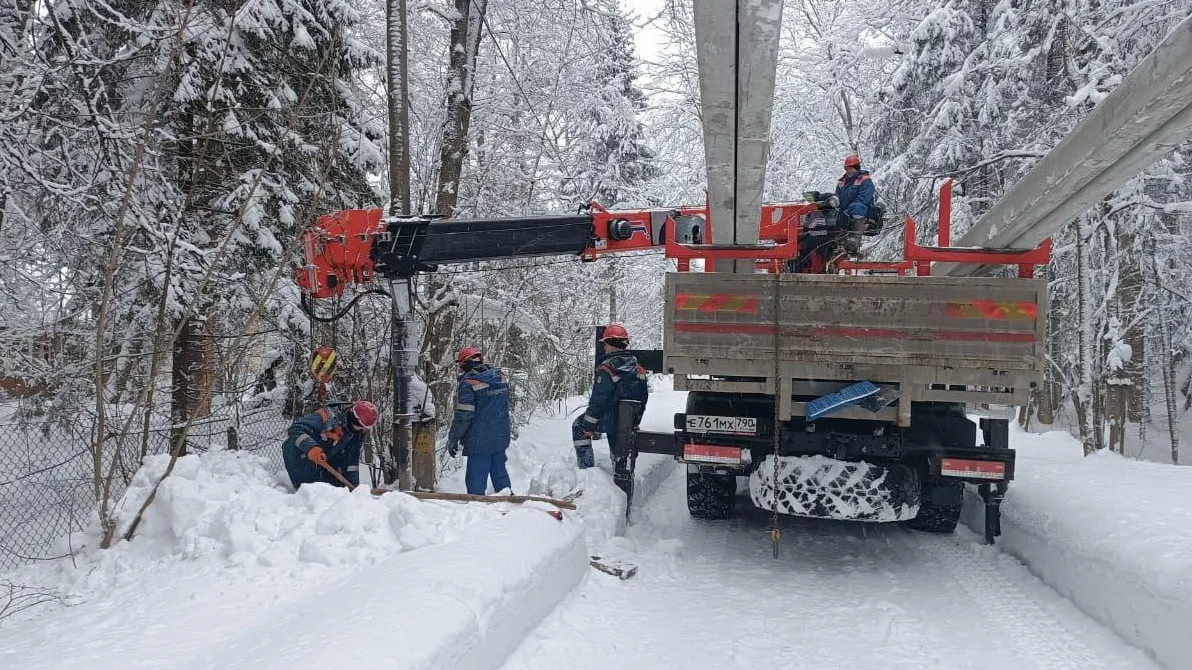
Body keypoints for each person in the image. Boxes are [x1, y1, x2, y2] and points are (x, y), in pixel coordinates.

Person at [572, 323, 649, 469]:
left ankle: (586, 469)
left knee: (578, 426)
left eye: (605, 344)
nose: (604, 348)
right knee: (620, 446)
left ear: (612, 343)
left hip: (610, 419)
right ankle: (620, 468)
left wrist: (588, 426)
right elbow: (643, 398)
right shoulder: (638, 368)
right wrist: (635, 421)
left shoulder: (607, 369)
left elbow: (598, 401)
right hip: (627, 422)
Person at [446, 346, 513, 495]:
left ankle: (476, 507)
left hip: (480, 438)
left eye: (460, 365)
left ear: (466, 362)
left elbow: (463, 416)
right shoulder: (500, 376)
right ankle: (509, 506)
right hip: (501, 434)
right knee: (499, 472)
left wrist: (453, 438)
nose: (460, 369)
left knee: (476, 478)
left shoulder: (468, 383)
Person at [283, 399, 378, 489]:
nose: (364, 430)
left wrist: (354, 488)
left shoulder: (357, 433)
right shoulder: (327, 416)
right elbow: (295, 429)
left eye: (367, 428)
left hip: (325, 457)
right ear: (355, 419)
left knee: (336, 491)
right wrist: (311, 448)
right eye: (363, 427)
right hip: (299, 454)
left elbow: (352, 461)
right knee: (311, 492)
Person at [836, 154, 876, 252]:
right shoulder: (841, 183)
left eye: (851, 169)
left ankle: (855, 237)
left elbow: (864, 198)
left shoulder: (865, 181)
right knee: (833, 213)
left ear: (856, 168)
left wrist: (848, 210)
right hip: (846, 210)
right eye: (847, 169)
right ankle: (838, 240)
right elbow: (837, 197)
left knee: (857, 207)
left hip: (862, 210)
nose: (848, 171)